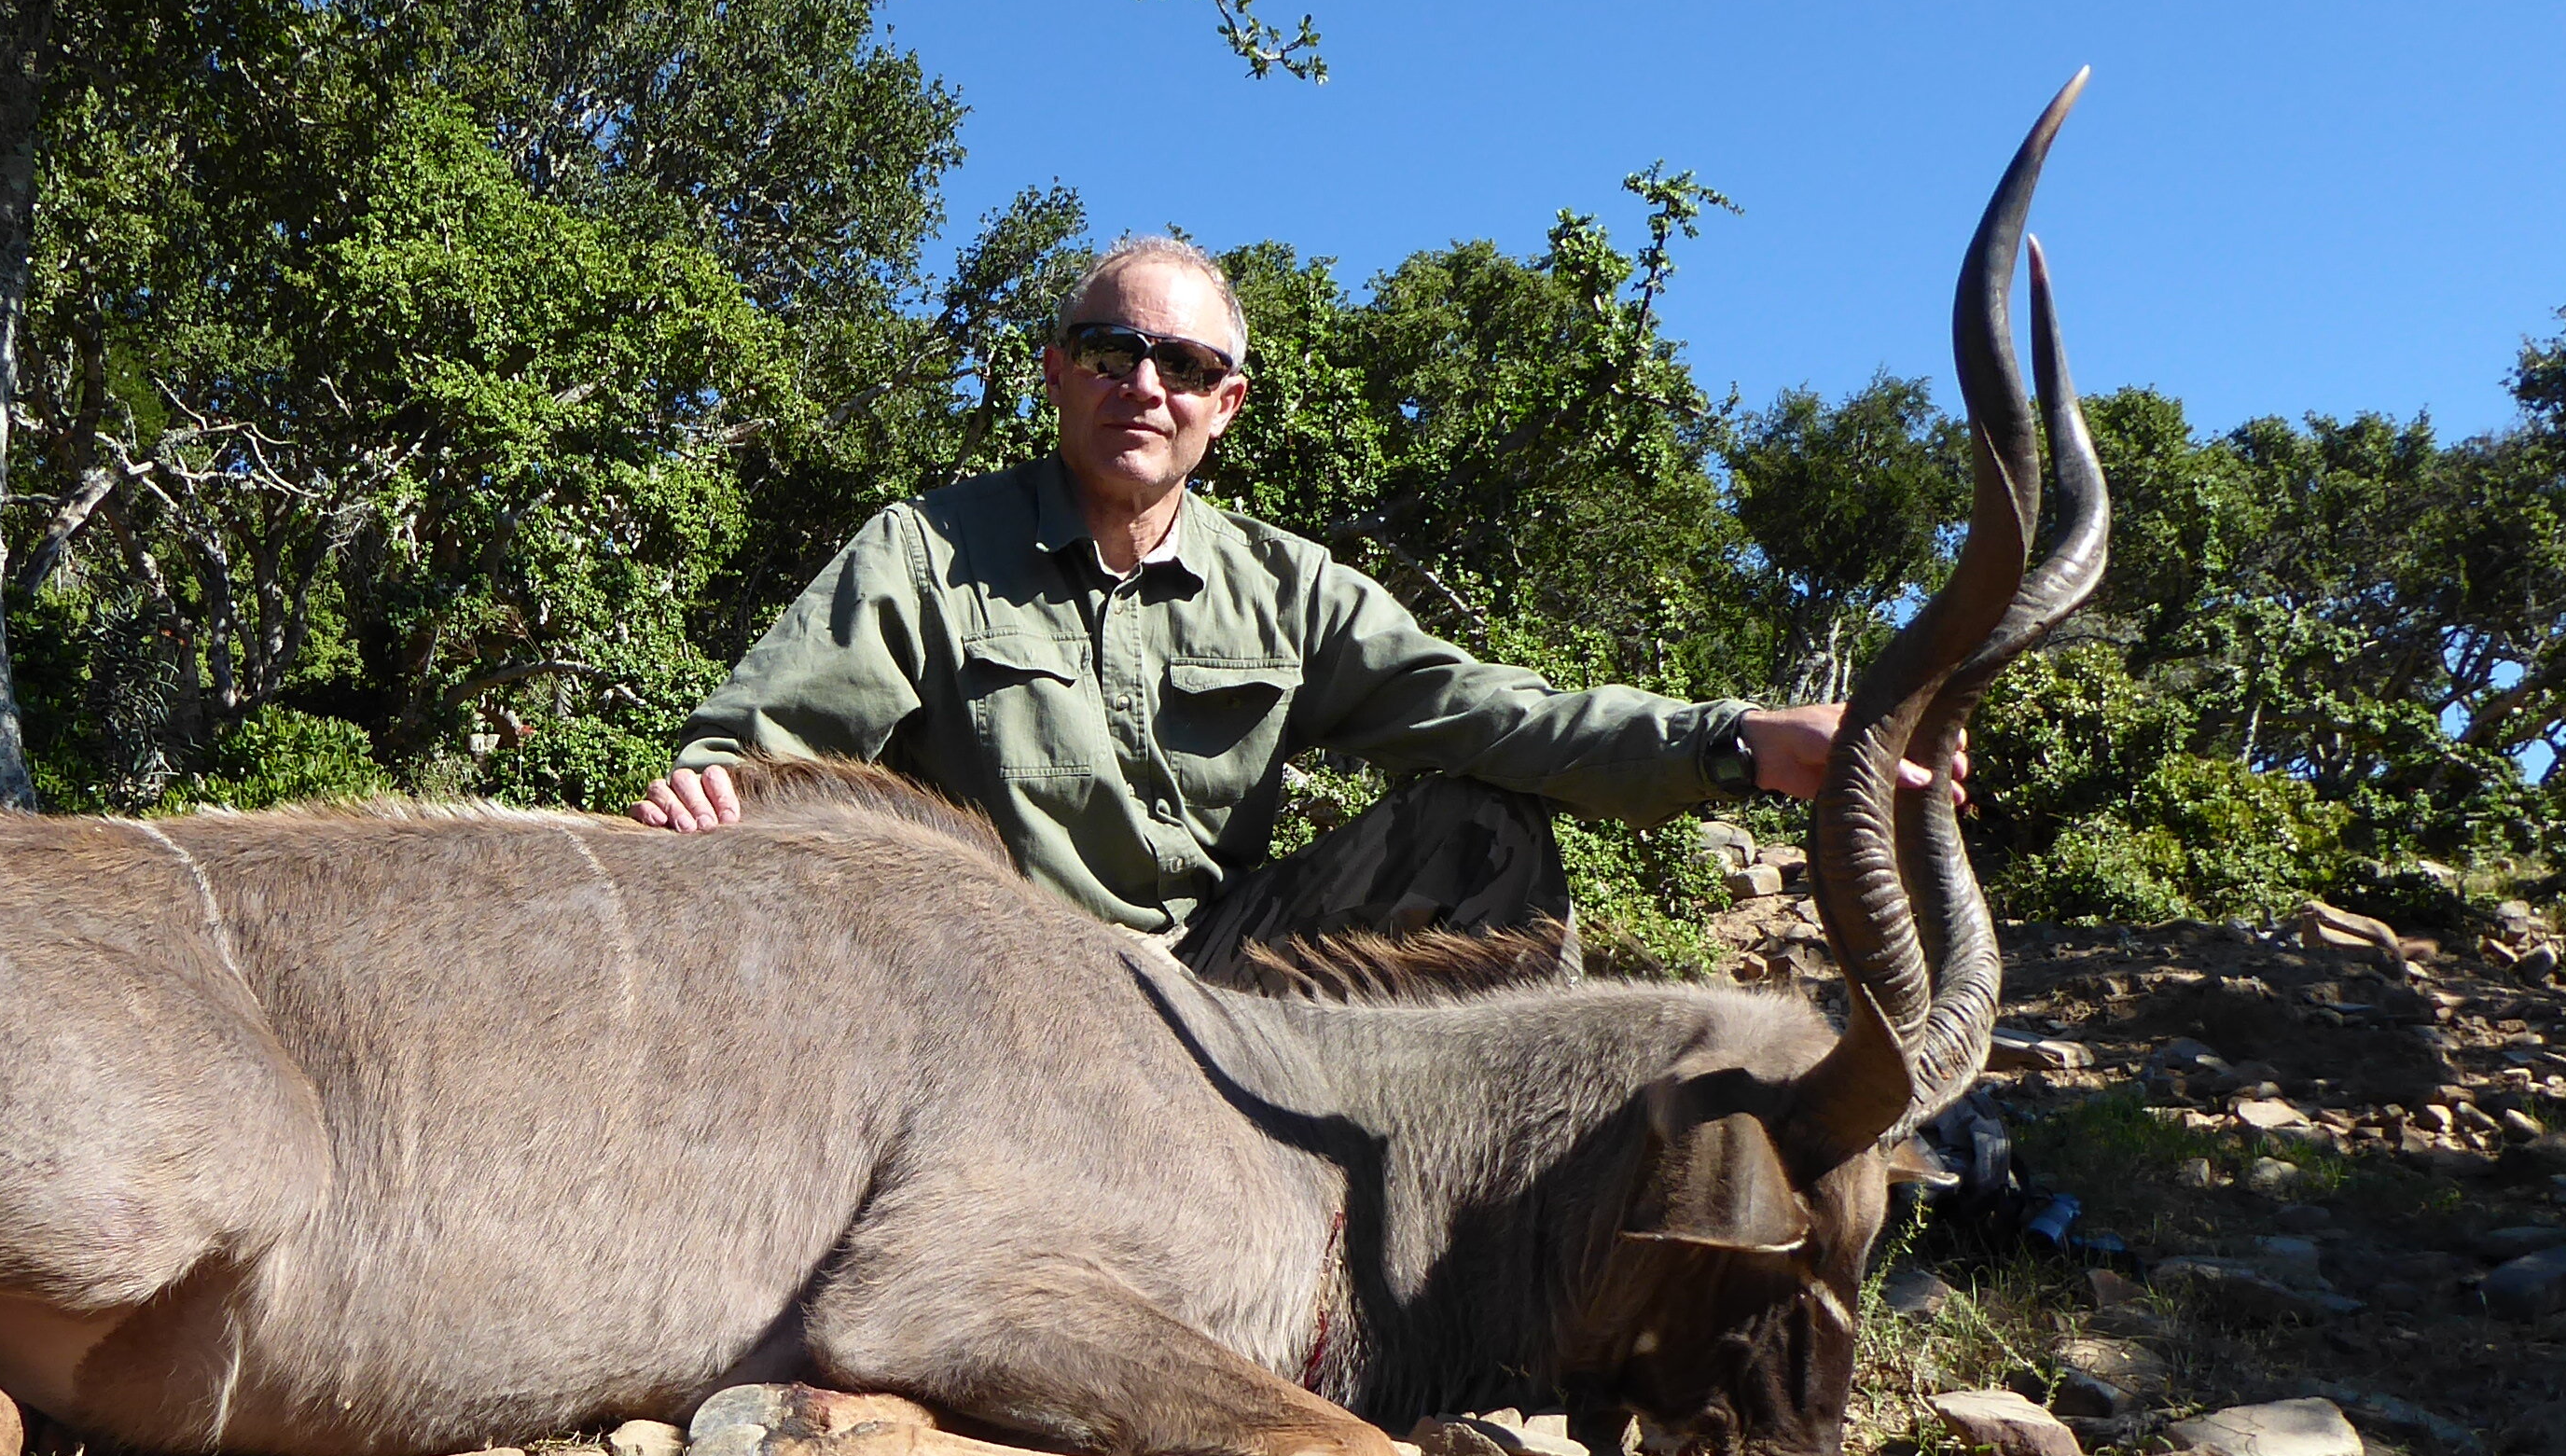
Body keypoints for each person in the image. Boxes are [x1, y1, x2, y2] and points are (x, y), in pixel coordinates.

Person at [631, 233, 1935, 978]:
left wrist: (1745, 741)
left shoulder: (1289, 588)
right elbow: (756, 755)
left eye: (1185, 363)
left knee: (1482, 831)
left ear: (1226, 402)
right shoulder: (925, 551)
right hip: (990, 993)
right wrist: (712, 793)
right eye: (1109, 350)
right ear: (1057, 373)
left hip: (1211, 984)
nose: (1144, 383)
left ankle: (1451, 1235)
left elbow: (1498, 718)